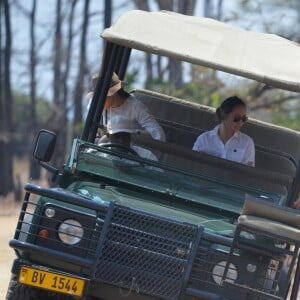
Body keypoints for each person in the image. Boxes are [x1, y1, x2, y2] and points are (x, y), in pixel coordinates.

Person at [86, 72, 166, 142]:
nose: (98, 100)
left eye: (103, 96)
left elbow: (158, 134)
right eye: (97, 96)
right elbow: (90, 100)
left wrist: (129, 134)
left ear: (114, 93)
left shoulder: (135, 106)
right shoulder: (96, 106)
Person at [192, 96, 255, 166]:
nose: (240, 122)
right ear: (224, 115)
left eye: (244, 118)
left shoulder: (247, 142)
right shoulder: (203, 139)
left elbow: (248, 173)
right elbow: (192, 166)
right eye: (237, 118)